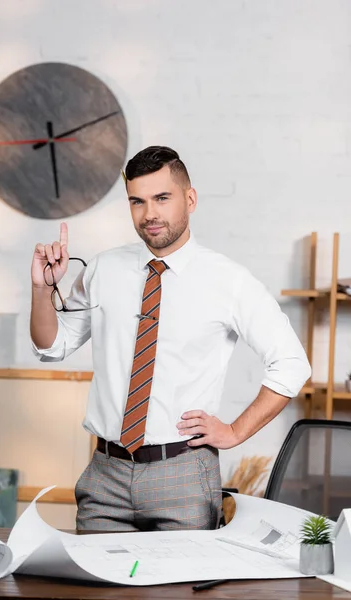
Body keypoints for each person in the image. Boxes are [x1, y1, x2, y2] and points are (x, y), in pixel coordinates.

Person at [30, 146, 311, 532]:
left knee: (179, 592)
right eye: (137, 201)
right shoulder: (103, 268)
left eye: (162, 198)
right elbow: (51, 346)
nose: (150, 214)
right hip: (105, 475)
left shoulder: (229, 280)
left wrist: (234, 431)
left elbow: (292, 364)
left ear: (190, 199)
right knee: (98, 592)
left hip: (183, 475)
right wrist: (41, 288)